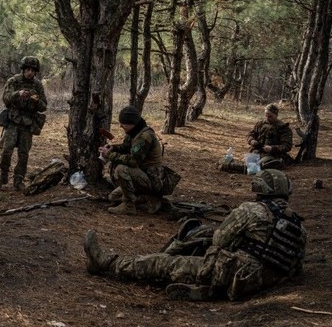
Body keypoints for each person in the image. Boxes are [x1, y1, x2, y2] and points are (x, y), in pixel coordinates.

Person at [84, 169, 307, 301]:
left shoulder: (252, 210)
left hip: (228, 274)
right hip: (259, 282)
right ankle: (205, 288)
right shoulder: (298, 225)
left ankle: (106, 263)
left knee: (164, 264)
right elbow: (293, 265)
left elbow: (220, 240)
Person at [99, 106, 179, 215]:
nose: (121, 126)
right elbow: (126, 146)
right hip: (141, 175)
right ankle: (148, 198)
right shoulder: (134, 132)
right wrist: (114, 148)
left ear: (132, 123)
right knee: (113, 197)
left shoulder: (145, 137)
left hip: (151, 179)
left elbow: (133, 161)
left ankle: (129, 205)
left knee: (121, 169)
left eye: (123, 123)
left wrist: (110, 155)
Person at [0, 56, 48, 192]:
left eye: (32, 70)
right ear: (23, 70)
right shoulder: (13, 81)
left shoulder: (37, 85)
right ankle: (3, 176)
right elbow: (5, 99)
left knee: (24, 153)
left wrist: (35, 100)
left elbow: (43, 106)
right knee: (6, 150)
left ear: (35, 72)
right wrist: (18, 94)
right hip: (13, 121)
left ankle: (18, 180)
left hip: (27, 123)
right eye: (27, 69)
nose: (29, 72)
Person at [247, 103, 293, 170]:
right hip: (257, 152)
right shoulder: (260, 124)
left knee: (265, 165)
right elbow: (251, 134)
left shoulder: (283, 128)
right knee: (250, 167)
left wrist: (272, 148)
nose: (267, 118)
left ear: (276, 115)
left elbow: (287, 146)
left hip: (274, 155)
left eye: (270, 116)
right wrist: (251, 140)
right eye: (266, 115)